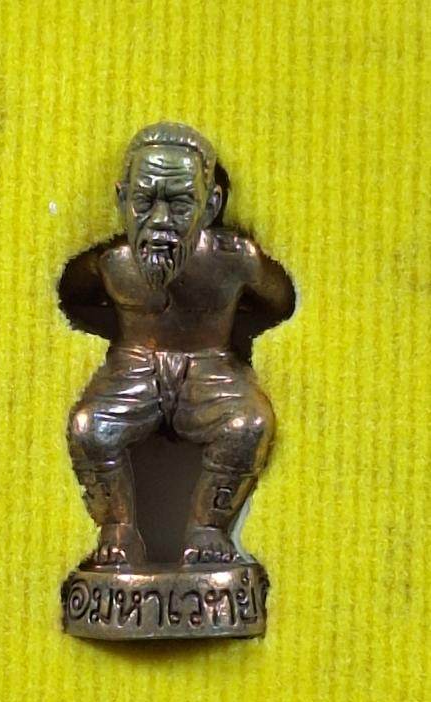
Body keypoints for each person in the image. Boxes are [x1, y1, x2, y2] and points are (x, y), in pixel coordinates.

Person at [65, 122, 294, 566]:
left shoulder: (234, 261)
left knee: (247, 425)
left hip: (210, 366)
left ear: (211, 206)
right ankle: (116, 529)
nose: (159, 221)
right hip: (134, 365)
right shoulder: (112, 264)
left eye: (179, 203)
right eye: (144, 202)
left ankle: (209, 529)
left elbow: (279, 299)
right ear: (121, 201)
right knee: (90, 428)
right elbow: (73, 296)